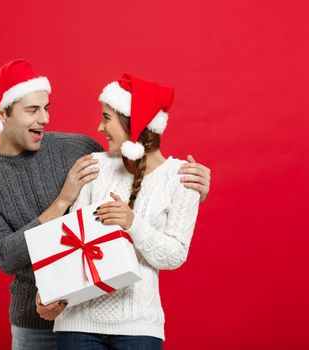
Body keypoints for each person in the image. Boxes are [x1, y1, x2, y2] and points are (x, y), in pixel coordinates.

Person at [0, 59, 211, 350]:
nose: (44, 119)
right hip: (36, 318)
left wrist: (192, 189)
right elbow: (6, 256)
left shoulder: (79, 149)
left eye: (47, 107)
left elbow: (135, 169)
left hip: (87, 311)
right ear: (3, 114)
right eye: (32, 110)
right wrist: (62, 201)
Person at [38, 73, 202, 349]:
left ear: (132, 123)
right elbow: (71, 242)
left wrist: (132, 222)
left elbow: (175, 256)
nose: (99, 127)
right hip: (77, 323)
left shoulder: (182, 178)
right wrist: (49, 292)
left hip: (138, 327)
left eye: (107, 118)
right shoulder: (94, 165)